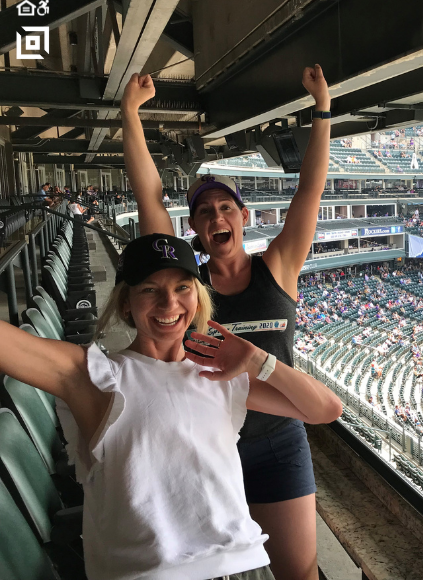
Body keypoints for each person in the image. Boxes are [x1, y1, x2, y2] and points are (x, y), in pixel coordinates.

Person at [0, 233, 341, 580]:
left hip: (245, 565)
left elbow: (325, 410)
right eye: (150, 289)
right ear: (125, 304)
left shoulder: (221, 376)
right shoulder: (95, 377)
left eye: (182, 288)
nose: (169, 303)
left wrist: (258, 358)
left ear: (198, 298)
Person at [121, 66, 331, 580]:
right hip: (207, 435)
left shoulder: (278, 266)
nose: (217, 218)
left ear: (242, 216)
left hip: (281, 436)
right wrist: (130, 115)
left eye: (225, 208)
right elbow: (149, 195)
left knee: (298, 571)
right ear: (193, 227)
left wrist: (322, 111)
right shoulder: (186, 283)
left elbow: (309, 191)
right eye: (204, 212)